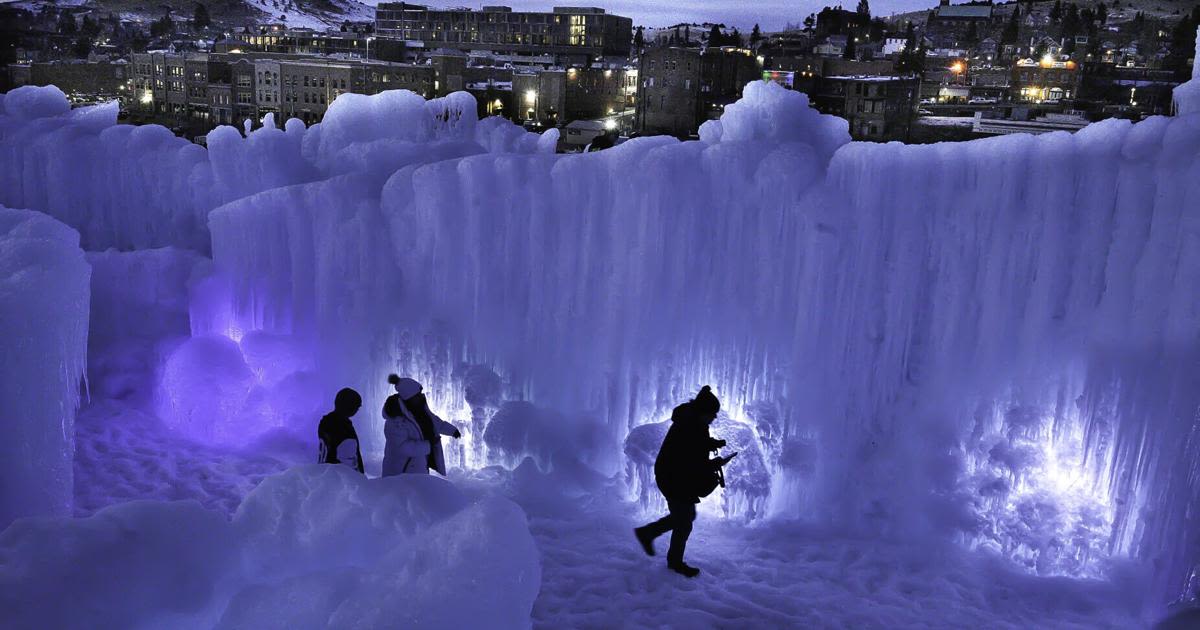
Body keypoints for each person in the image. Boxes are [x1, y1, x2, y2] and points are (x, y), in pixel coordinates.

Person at [633, 385, 736, 577]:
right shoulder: (689, 426)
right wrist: (717, 463)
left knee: (684, 517)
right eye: (712, 414)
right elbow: (693, 461)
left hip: (676, 475)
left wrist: (713, 444)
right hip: (673, 477)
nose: (714, 418)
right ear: (703, 411)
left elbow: (697, 446)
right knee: (684, 519)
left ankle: (649, 535)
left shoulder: (694, 422)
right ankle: (671, 559)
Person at [381, 374, 462, 476]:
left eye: (420, 393)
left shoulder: (419, 410)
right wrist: (429, 445)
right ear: (409, 398)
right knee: (405, 491)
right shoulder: (395, 420)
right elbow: (402, 447)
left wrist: (452, 431)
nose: (421, 397)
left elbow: (436, 423)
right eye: (417, 395)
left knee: (419, 489)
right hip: (401, 472)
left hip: (417, 466)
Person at [318, 387, 364, 474]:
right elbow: (348, 460)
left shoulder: (326, 421)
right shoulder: (343, 427)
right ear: (349, 407)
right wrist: (359, 478)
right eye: (357, 406)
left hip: (324, 474)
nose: (358, 410)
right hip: (341, 480)